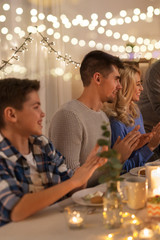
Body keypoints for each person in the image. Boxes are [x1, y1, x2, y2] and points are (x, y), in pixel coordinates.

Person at [0, 78, 107, 226]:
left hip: (58, 227)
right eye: (36, 107)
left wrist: (87, 170)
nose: (42, 114)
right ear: (11, 114)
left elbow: (73, 189)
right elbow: (16, 210)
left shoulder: (42, 144)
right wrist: (73, 181)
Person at [49, 50, 140, 187]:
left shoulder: (102, 116)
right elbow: (69, 183)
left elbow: (104, 175)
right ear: (97, 78)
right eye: (116, 79)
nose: (119, 86)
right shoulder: (69, 116)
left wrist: (120, 158)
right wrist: (117, 157)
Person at [105, 64, 160, 172]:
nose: (141, 88)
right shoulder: (116, 123)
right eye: (137, 84)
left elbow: (137, 151)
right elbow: (121, 169)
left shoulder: (135, 111)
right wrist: (150, 146)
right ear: (125, 86)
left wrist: (152, 138)